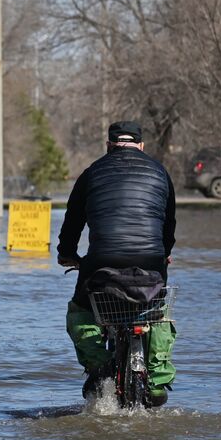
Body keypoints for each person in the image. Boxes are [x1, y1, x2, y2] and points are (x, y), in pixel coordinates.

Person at [57, 121, 177, 406]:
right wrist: (164, 253)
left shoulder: (91, 173)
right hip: (151, 264)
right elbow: (168, 224)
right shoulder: (160, 172)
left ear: (109, 146)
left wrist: (67, 253)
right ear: (141, 146)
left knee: (81, 311)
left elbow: (73, 221)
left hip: (102, 264)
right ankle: (158, 381)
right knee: (156, 311)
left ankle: (101, 367)